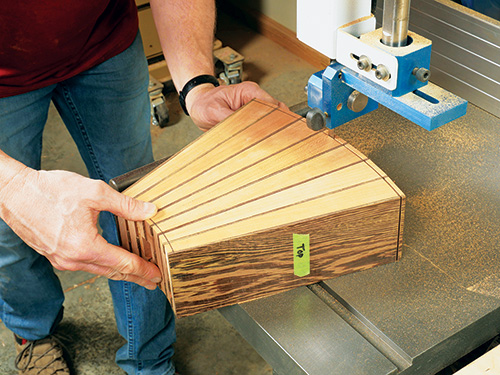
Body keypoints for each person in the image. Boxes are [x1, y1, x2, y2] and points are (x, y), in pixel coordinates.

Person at [0, 1, 286, 374]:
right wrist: (13, 186)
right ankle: (33, 333)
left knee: (141, 211)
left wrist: (197, 86)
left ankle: (149, 358)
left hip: (104, 44)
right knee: (10, 229)